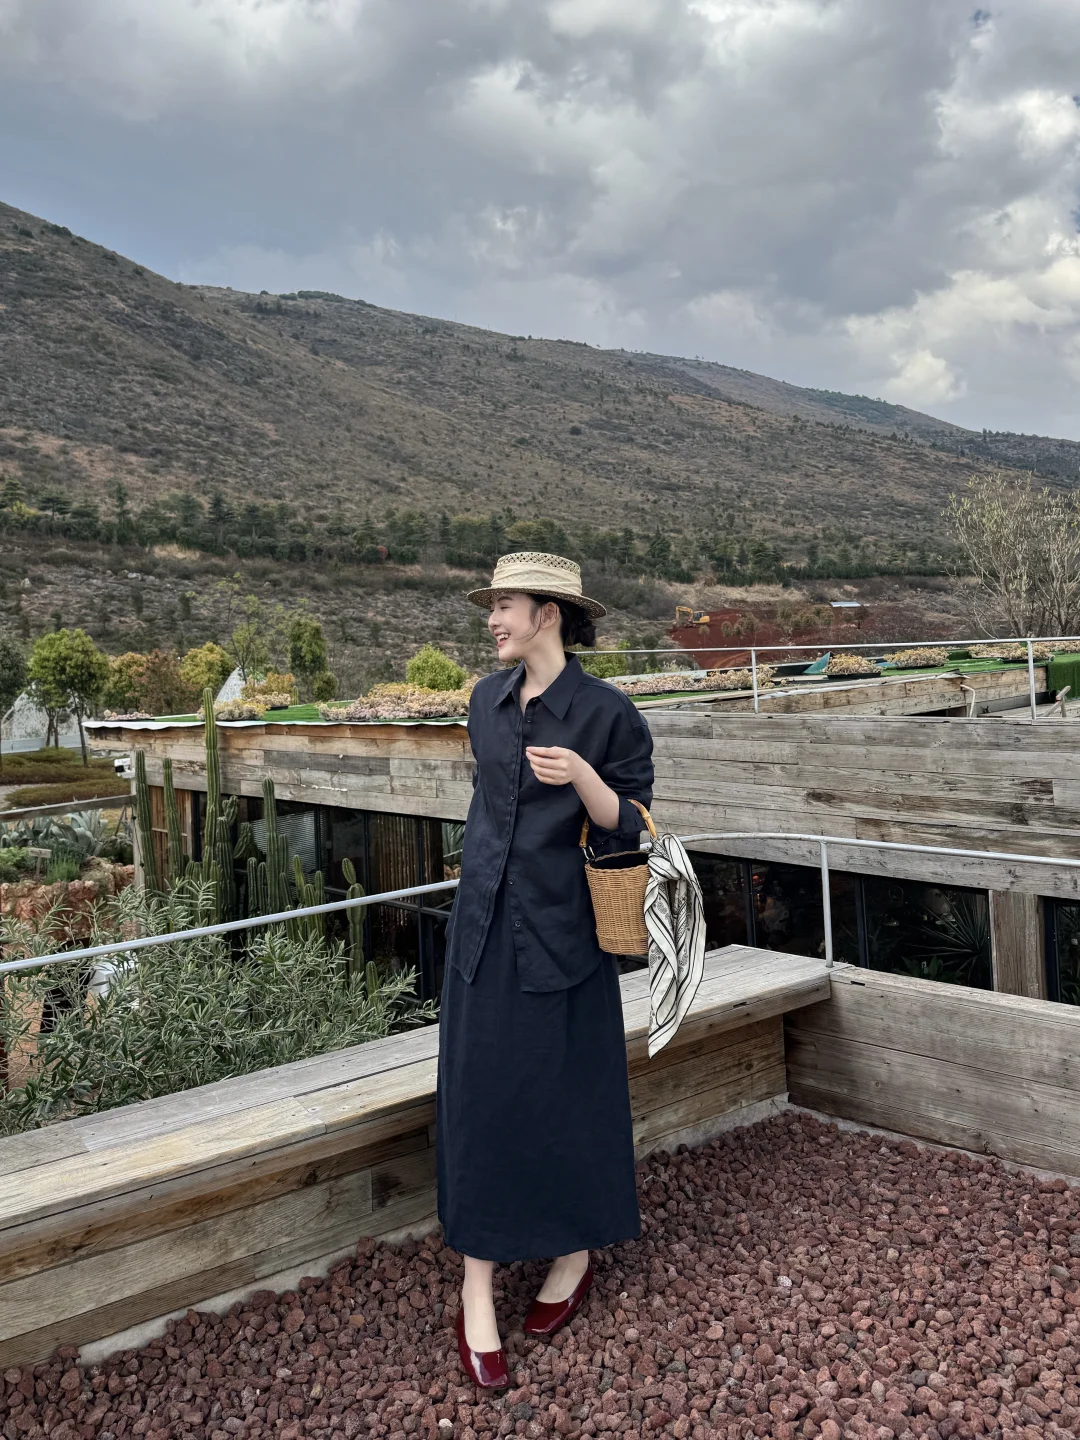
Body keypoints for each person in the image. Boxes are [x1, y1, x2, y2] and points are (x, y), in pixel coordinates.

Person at [436, 551, 655, 1389]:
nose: (493, 620)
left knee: (569, 1097)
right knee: (480, 1101)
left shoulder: (608, 714)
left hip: (565, 934)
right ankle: (477, 1286)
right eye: (491, 606)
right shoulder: (483, 704)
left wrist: (585, 776)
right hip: (482, 935)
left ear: (549, 614)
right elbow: (488, 812)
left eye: (506, 605)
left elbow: (630, 825)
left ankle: (572, 1254)